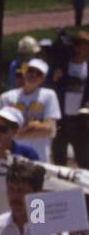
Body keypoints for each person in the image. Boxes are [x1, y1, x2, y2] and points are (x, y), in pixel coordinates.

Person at [0, 59, 61, 162]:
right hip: (12, 154)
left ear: (42, 79)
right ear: (24, 72)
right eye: (30, 70)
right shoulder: (7, 97)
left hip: (40, 155)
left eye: (38, 73)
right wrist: (33, 127)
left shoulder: (49, 95)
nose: (33, 75)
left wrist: (17, 133)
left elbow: (48, 129)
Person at [50, 31, 89, 168]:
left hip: (80, 118)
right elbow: (52, 83)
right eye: (85, 46)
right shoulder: (64, 65)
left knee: (84, 155)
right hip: (62, 116)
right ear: (76, 47)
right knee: (59, 154)